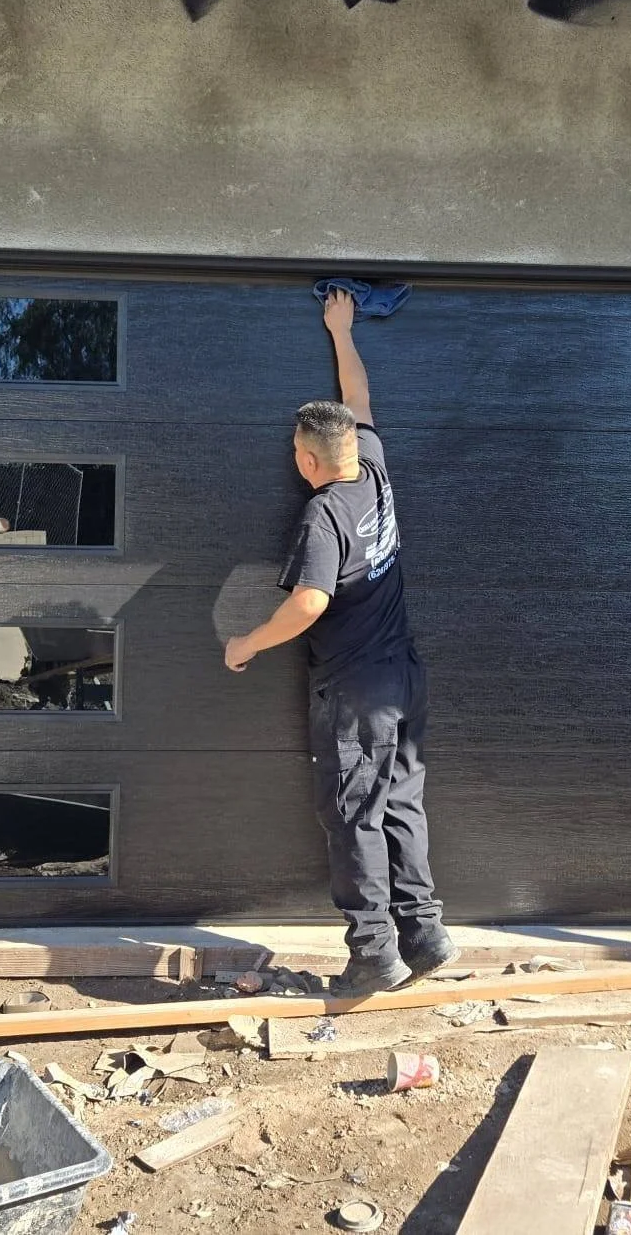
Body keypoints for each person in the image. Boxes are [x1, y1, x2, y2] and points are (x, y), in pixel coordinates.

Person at [223, 288, 455, 994]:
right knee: (399, 805)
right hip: (402, 678)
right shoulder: (374, 468)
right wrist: (341, 330)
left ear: (307, 460)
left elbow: (311, 602)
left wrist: (249, 644)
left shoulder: (323, 515)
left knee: (354, 813)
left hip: (355, 689)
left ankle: (375, 955)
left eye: (299, 452)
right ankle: (427, 935)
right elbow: (358, 395)